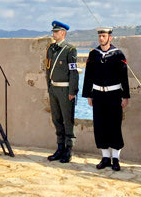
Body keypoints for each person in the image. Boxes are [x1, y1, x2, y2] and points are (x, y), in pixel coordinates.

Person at [82, 27, 130, 171]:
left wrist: (125, 96)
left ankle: (115, 158)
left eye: (104, 36)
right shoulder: (93, 54)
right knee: (100, 125)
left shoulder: (118, 54)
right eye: (100, 36)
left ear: (110, 38)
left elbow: (124, 77)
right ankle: (104, 157)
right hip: (98, 95)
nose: (101, 38)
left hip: (114, 95)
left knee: (114, 126)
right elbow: (88, 76)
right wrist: (88, 95)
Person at [45, 20, 79, 163]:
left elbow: (73, 72)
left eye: (56, 32)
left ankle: (68, 149)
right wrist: (49, 87)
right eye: (53, 32)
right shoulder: (51, 49)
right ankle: (59, 147)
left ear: (63, 33)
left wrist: (73, 91)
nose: (54, 34)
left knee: (67, 120)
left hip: (65, 90)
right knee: (56, 119)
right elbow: (47, 69)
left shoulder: (69, 50)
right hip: (54, 88)